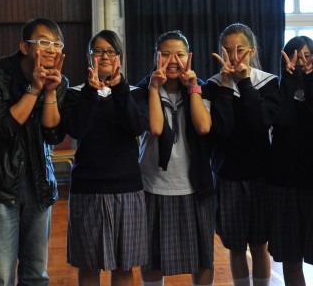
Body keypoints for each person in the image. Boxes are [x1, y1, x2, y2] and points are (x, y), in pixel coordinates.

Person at [0, 17, 68, 286]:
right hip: (1, 186)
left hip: (39, 185)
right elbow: (3, 128)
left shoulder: (59, 81)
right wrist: (34, 88)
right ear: (24, 47)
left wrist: (49, 92)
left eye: (56, 44)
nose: (51, 49)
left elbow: (53, 134)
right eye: (43, 42)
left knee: (36, 274)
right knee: (0, 275)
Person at [63, 30, 148, 286]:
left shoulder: (134, 92)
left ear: (119, 56)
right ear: (89, 57)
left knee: (124, 266)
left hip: (127, 187)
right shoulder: (75, 93)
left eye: (111, 51)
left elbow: (135, 126)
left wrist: (119, 88)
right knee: (89, 266)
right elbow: (77, 129)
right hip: (88, 188)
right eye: (98, 51)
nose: (104, 56)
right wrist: (91, 91)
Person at [137, 30, 215, 286]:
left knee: (203, 259)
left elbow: (203, 127)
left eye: (179, 55)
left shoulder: (201, 87)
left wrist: (193, 88)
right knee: (151, 259)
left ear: (189, 57)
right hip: (154, 185)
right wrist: (154, 88)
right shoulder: (142, 89)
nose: (173, 61)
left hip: (194, 185)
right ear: (156, 57)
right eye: (166, 54)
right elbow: (155, 128)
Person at [207, 23, 280, 286]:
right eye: (227, 50)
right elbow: (222, 130)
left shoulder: (268, 82)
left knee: (260, 244)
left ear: (252, 51)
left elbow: (262, 121)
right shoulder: (213, 85)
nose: (234, 56)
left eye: (240, 50)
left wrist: (245, 82)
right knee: (235, 246)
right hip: (227, 175)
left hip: (260, 175)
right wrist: (227, 85)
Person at [266, 36, 313, 286]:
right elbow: (282, 120)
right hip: (283, 181)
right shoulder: (277, 87)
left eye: (307, 55)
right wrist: (289, 83)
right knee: (290, 256)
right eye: (295, 55)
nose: (301, 61)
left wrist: (312, 82)